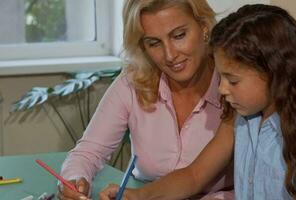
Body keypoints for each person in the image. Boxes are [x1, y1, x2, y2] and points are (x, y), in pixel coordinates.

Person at [99, 4, 296, 200]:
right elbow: (194, 175)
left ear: (274, 72)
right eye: (221, 78)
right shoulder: (239, 120)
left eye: (232, 81)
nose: (221, 89)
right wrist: (138, 196)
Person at [57, 0, 235, 200]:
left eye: (179, 36)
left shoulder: (236, 88)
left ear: (204, 27)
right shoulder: (131, 84)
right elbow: (89, 152)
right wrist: (74, 180)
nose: (170, 55)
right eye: (154, 43)